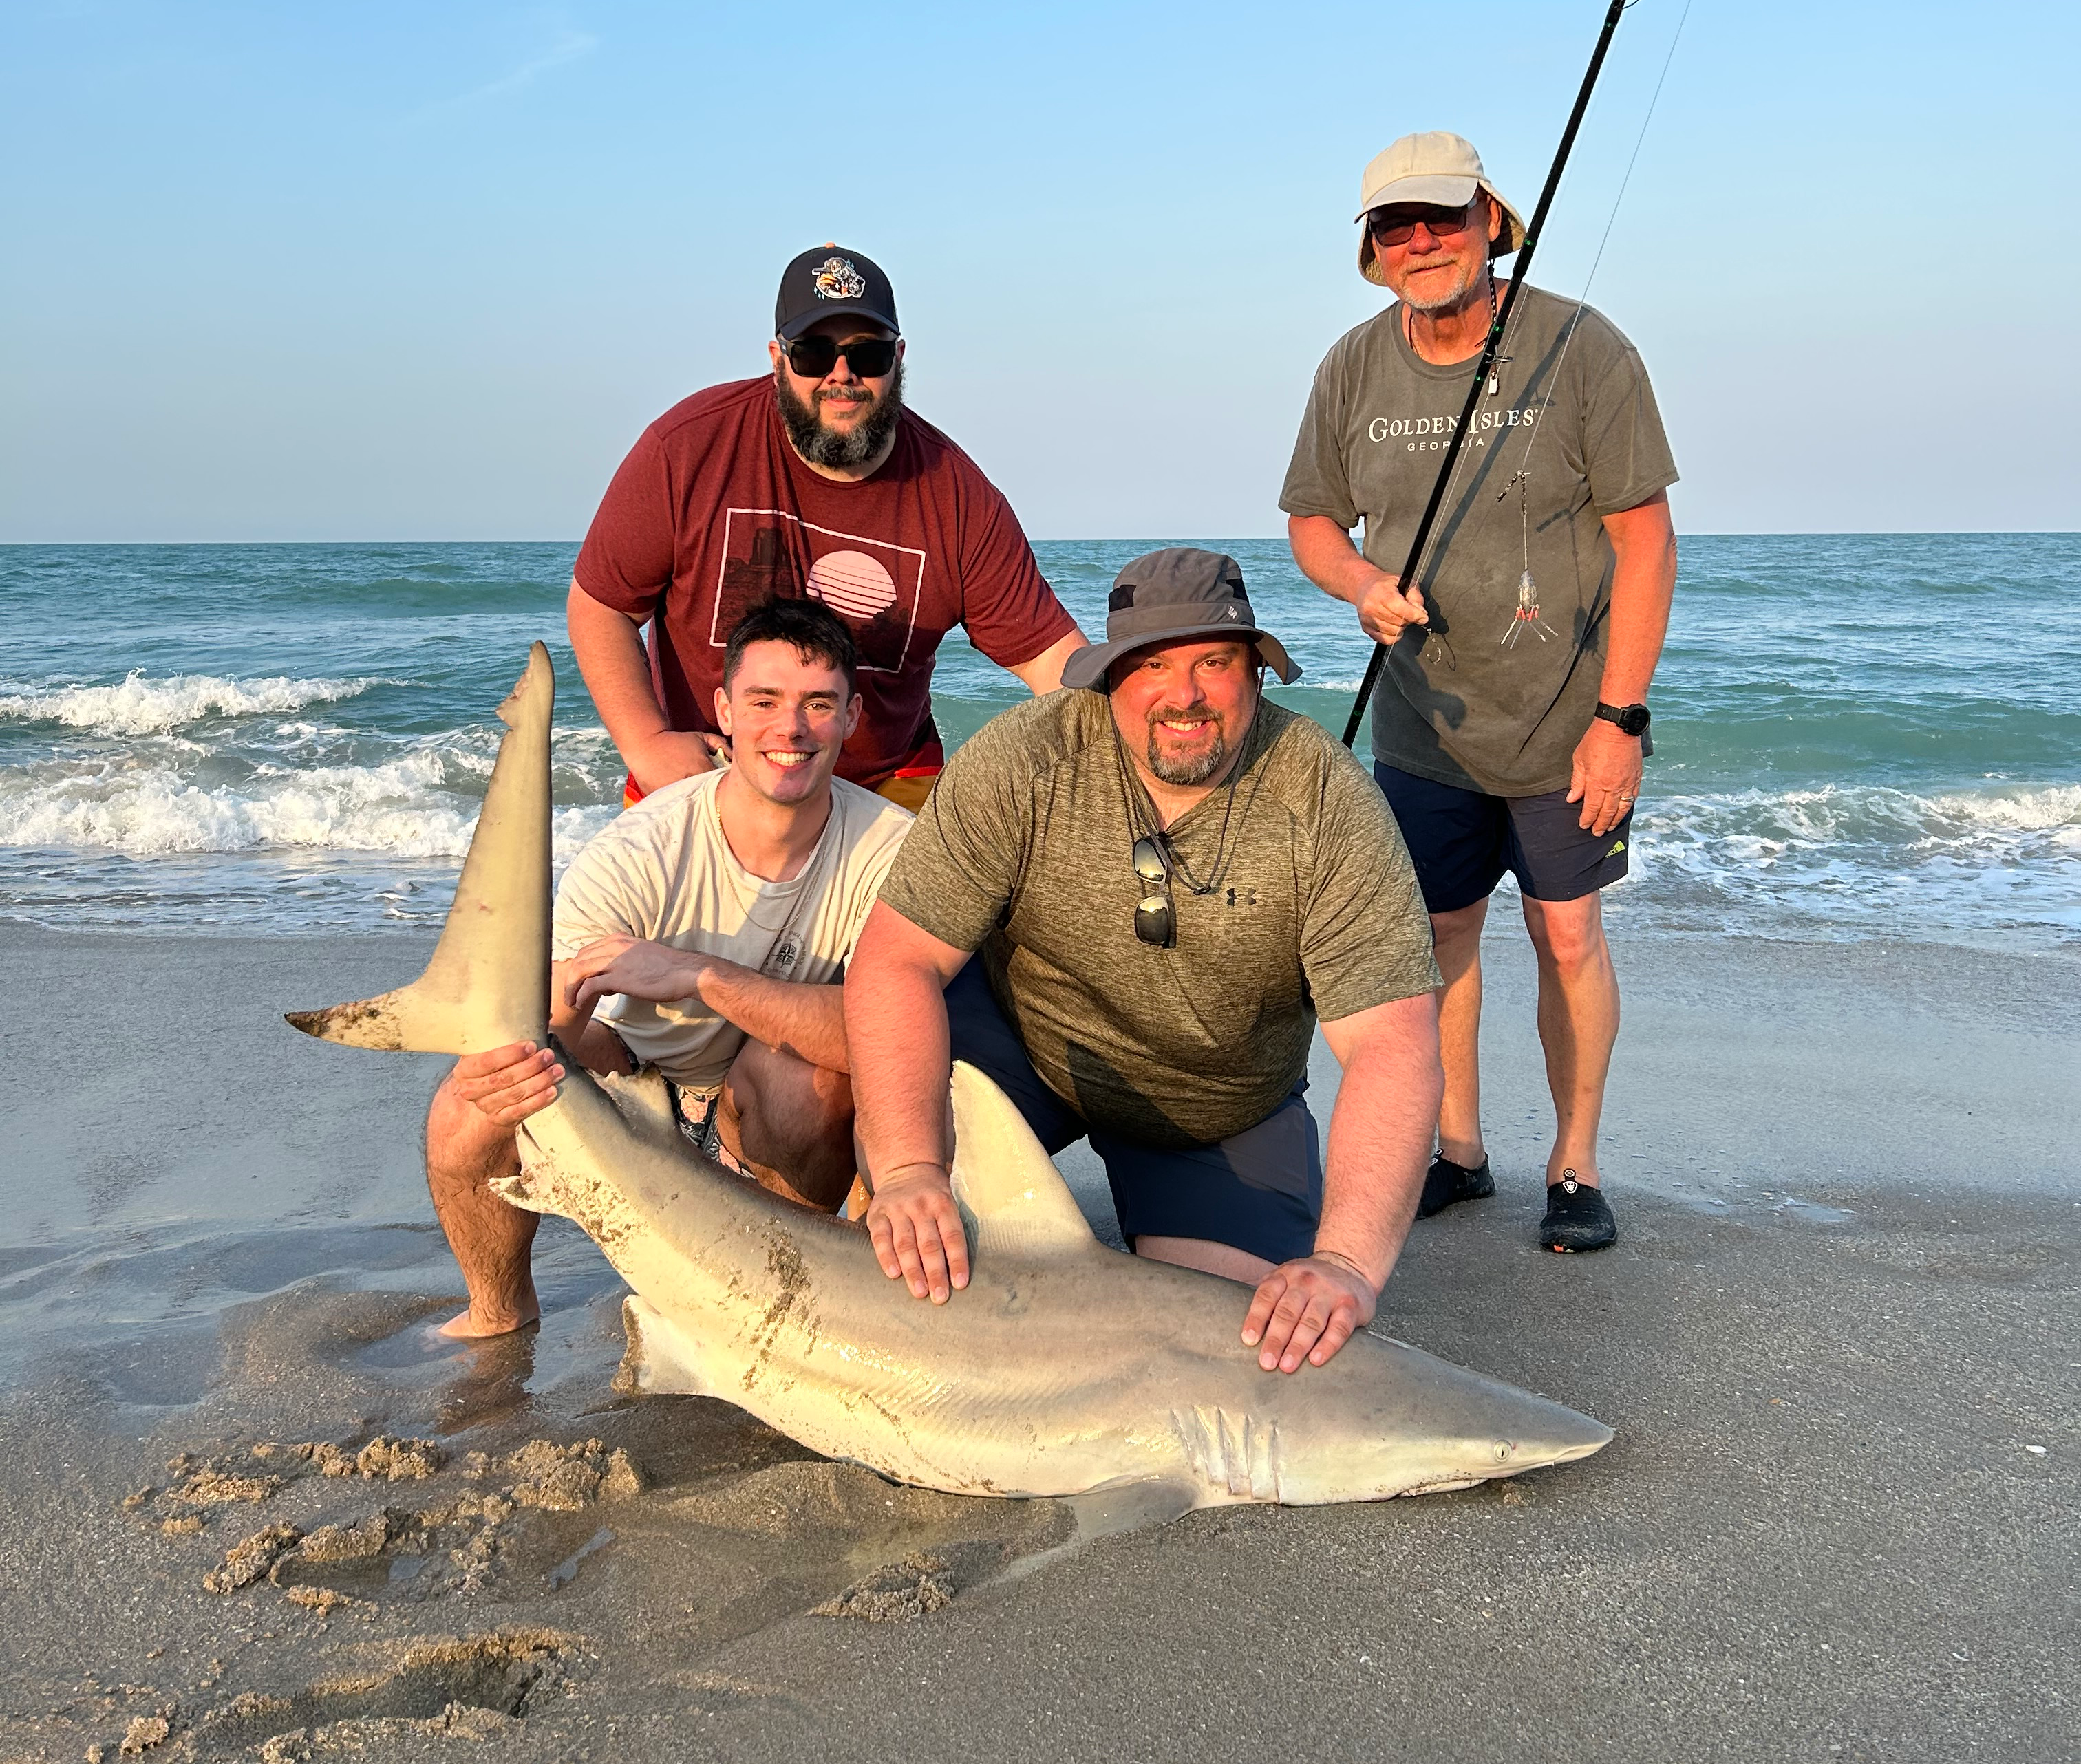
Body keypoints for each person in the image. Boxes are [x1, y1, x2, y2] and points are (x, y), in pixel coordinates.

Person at [843, 548, 1447, 1374]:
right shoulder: (1027, 757)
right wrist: (911, 1167)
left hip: (1215, 1105)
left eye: (1214, 662)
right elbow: (897, 961)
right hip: (1024, 1052)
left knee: (1240, 1349)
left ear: (1258, 674)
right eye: (1152, 664)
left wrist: (1345, 1262)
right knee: (879, 1243)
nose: (1184, 693)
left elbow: (1392, 1043)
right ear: (1108, 678)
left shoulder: (1327, 801)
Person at [1280, 131, 1679, 1253]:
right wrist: (1358, 580)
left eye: (1441, 218)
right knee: (1440, 932)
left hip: (1568, 723)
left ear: (1489, 221)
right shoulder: (1350, 366)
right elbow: (1310, 514)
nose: (1420, 242)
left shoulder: (1581, 348)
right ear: (1370, 250)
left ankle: (1573, 1163)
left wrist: (1619, 719)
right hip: (1422, 727)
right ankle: (1455, 1148)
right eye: (1393, 226)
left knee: (1566, 934)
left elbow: (1643, 545)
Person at [423, 599, 911, 1337]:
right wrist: (515, 1050)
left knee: (809, 1081)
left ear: (850, 716)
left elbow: (897, 1042)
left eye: (818, 704)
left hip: (762, 1105)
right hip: (637, 1084)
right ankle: (498, 1316)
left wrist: (702, 975)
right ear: (724, 709)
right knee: (475, 1092)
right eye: (765, 702)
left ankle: (769, 1303)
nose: (791, 729)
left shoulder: (892, 849)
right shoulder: (642, 849)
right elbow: (549, 1017)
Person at [568, 244, 1087, 814]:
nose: (842, 376)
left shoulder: (958, 495)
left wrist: (1132, 735)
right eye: (814, 353)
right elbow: (602, 606)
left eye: (869, 354)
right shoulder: (687, 449)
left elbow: (1050, 661)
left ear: (900, 358)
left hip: (884, 784)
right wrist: (648, 745)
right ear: (777, 357)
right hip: (707, 771)